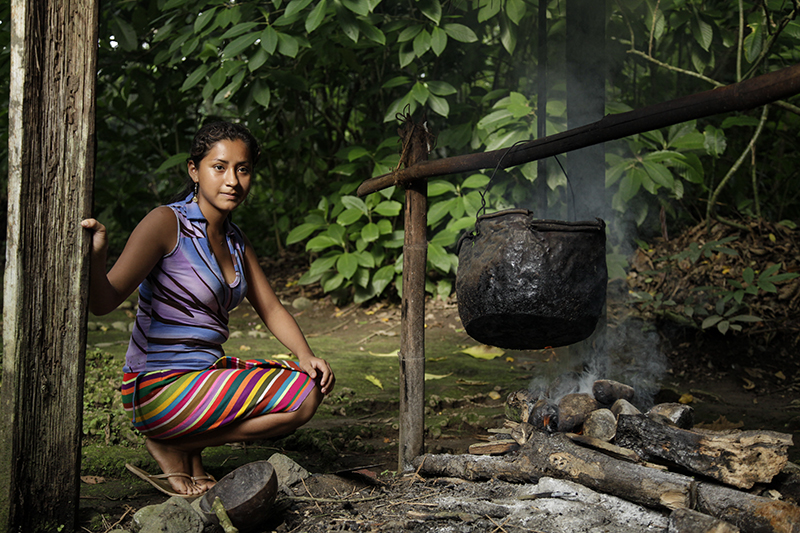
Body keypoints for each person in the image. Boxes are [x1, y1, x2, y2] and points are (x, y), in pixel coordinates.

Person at [82, 121, 334, 497]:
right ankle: (173, 442)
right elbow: (103, 303)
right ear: (194, 170)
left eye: (243, 169)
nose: (232, 180)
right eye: (219, 167)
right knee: (304, 395)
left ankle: (187, 444)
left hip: (205, 380)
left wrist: (305, 354)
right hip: (156, 386)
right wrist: (97, 255)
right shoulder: (167, 223)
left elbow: (271, 308)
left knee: (308, 386)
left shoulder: (236, 241)